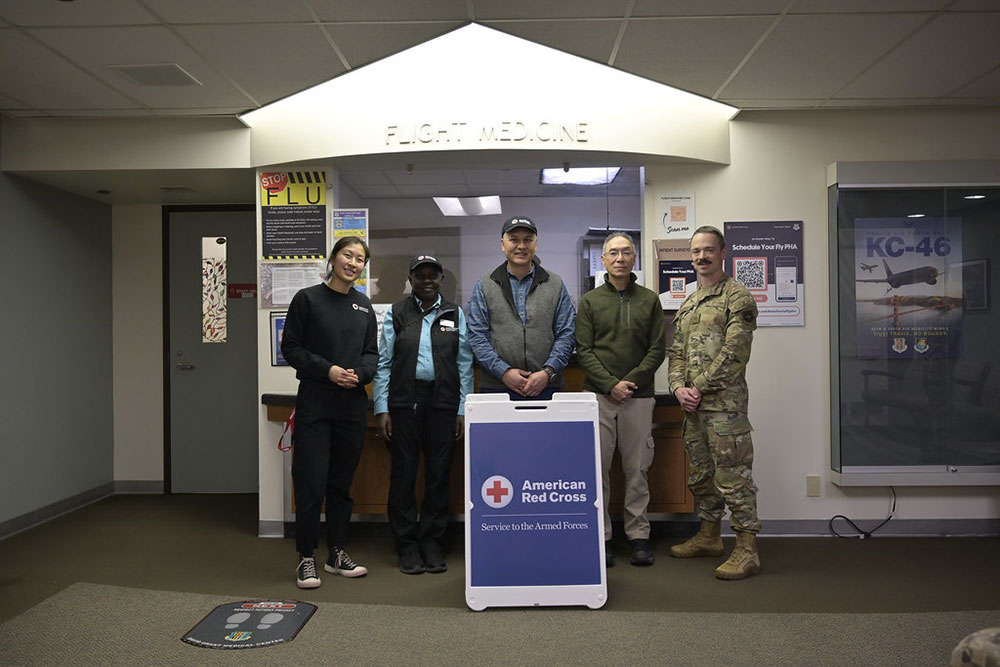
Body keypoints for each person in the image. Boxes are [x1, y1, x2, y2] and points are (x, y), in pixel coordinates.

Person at [281, 235, 378, 588]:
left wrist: (360, 375)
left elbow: (371, 354)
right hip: (315, 404)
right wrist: (328, 370)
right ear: (333, 259)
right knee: (311, 482)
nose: (353, 263)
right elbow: (291, 347)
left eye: (360, 259)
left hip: (351, 407)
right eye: (348, 256)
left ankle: (337, 552)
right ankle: (306, 557)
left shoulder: (364, 307)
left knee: (341, 483)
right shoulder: (307, 299)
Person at [666, 225, 762, 580]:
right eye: (696, 251)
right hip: (693, 408)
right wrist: (678, 388)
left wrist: (699, 388)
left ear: (723, 253)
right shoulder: (689, 302)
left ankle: (747, 550)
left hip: (725, 409)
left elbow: (735, 353)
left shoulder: (737, 297)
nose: (701, 257)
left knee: (733, 478)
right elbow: (675, 352)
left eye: (708, 250)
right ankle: (709, 537)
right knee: (702, 476)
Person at [373, 254, 474, 575]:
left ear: (441, 280)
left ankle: (432, 543)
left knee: (438, 476)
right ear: (411, 279)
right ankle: (406, 545)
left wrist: (462, 408)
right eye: (421, 275)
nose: (427, 280)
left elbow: (464, 364)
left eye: (433, 275)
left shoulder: (454, 313)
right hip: (405, 403)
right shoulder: (398, 313)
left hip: (443, 404)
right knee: (402, 475)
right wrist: (381, 407)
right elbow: (384, 363)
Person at [576, 232, 665, 568]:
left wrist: (631, 382)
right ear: (603, 260)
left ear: (634, 258)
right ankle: (602, 538)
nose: (620, 258)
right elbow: (584, 350)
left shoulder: (649, 300)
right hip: (597, 398)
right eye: (613, 252)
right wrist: (611, 384)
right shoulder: (590, 302)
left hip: (639, 398)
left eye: (627, 252)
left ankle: (638, 536)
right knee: (597, 470)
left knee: (637, 470)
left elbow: (657, 349)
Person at [467, 216, 575, 400]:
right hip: (497, 387)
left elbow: (566, 333)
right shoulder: (485, 284)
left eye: (527, 240)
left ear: (536, 244)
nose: (521, 246)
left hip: (546, 387)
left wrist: (547, 372)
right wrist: (504, 372)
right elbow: (477, 336)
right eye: (514, 239)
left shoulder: (555, 284)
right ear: (503, 244)